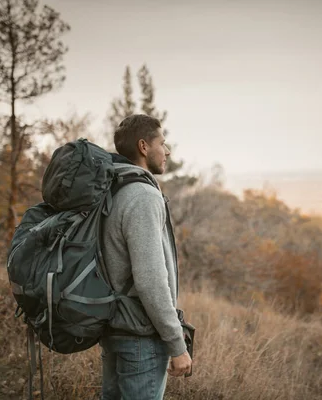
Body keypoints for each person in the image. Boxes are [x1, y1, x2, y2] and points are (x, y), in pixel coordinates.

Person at [99, 114, 192, 400]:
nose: (167, 151)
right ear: (143, 146)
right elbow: (151, 280)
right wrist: (177, 344)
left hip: (115, 328)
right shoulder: (143, 196)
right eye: (162, 143)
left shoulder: (113, 189)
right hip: (140, 338)